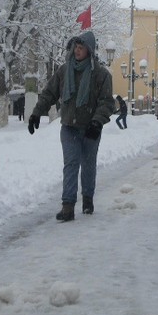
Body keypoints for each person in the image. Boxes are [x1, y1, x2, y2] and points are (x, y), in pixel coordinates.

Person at [28, 31, 115, 221]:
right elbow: (49, 93)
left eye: (81, 47)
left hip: (91, 128)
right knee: (71, 164)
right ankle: (67, 207)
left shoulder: (101, 74)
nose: (77, 50)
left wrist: (97, 121)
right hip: (69, 126)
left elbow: (107, 102)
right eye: (76, 46)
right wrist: (36, 113)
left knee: (88, 165)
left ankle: (88, 200)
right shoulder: (63, 71)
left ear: (89, 50)